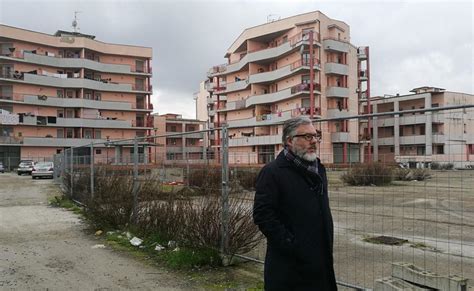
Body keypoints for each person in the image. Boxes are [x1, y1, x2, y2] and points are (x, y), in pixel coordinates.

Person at [253, 116, 337, 290]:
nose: (314, 141)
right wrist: (293, 246)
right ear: (289, 141)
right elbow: (263, 216)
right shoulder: (272, 173)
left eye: (315, 136)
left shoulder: (318, 169)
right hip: (289, 267)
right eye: (307, 137)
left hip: (321, 260)